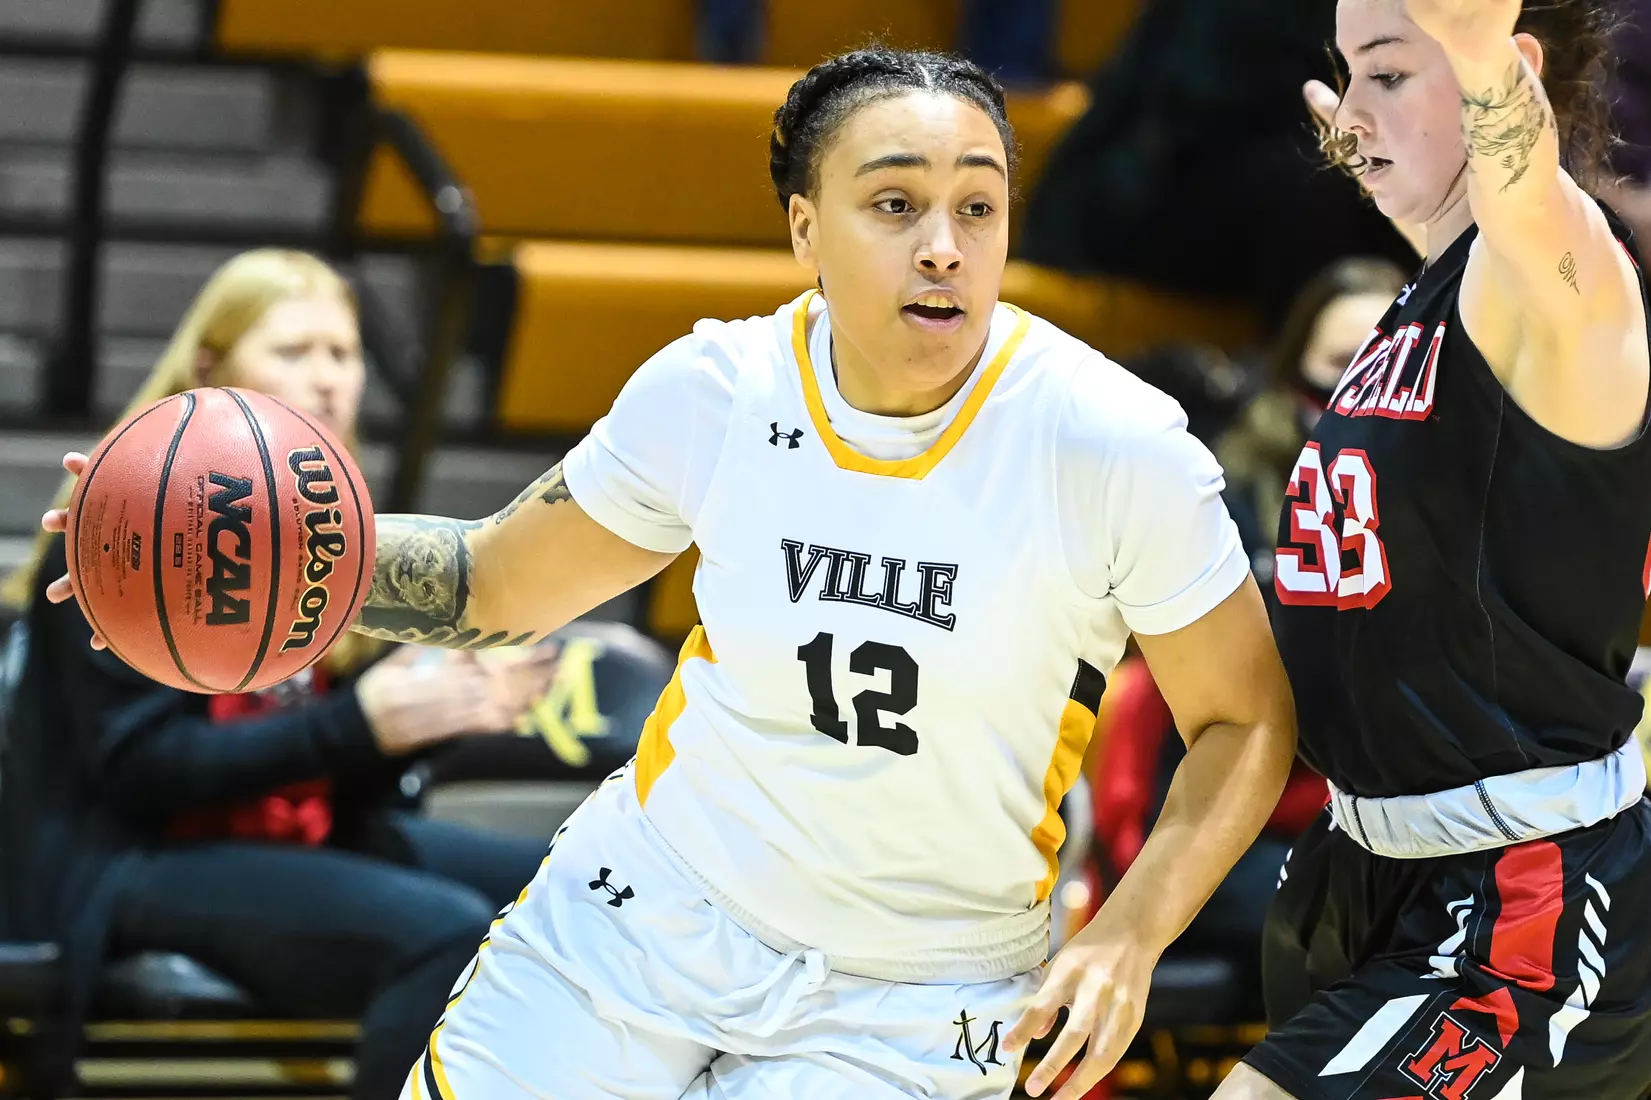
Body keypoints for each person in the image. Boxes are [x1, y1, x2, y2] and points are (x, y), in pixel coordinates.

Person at [47, 51, 1296, 1100]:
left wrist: (1130, 934)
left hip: (923, 981)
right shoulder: (717, 390)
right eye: (895, 203)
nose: (943, 247)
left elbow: (1243, 718)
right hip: (654, 900)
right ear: (805, 226)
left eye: (977, 206)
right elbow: (493, 582)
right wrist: (231, 552)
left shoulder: (1110, 439)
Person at [1208, 1, 1651, 1097]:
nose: (1353, 109)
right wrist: (1393, 116)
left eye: (1391, 75)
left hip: (1518, 895)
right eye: (1345, 74)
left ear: (1511, 75)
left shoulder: (1569, 283)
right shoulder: (1430, 295)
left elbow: (1525, 208)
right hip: (1362, 868)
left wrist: (1481, 67)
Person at [4, 250, 557, 1100]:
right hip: (132, 856)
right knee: (446, 933)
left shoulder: (331, 521)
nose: (329, 379)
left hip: (280, 831)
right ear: (210, 367)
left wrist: (431, 716)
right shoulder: (127, 526)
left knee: (575, 881)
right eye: (294, 352)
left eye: (343, 352)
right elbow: (140, 774)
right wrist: (361, 724)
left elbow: (339, 778)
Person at [1217, 257, 1408, 584]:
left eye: (1385, 363)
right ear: (1296, 367)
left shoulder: (1460, 479)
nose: (1362, 384)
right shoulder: (1235, 484)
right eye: (1343, 362)